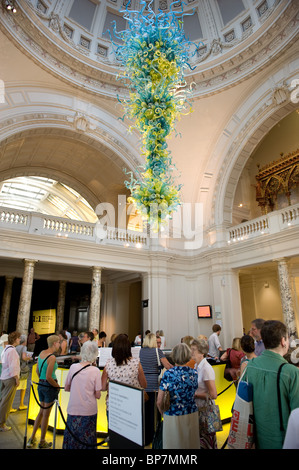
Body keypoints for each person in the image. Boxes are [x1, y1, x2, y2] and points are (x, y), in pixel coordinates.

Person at [244, 320, 299, 449]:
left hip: (258, 439)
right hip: (283, 441)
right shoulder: (291, 372)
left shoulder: (250, 366)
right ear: (283, 341)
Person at [157, 343, 200, 449]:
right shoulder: (194, 373)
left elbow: (159, 401)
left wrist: (163, 414)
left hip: (172, 413)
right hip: (191, 413)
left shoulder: (168, 374)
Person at [63, 341, 102, 449]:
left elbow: (67, 388)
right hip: (89, 410)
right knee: (87, 441)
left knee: (72, 440)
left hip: (74, 408)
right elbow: (98, 394)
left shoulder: (73, 367)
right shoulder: (95, 371)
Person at [101, 334, 147, 422]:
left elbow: (102, 387)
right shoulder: (136, 363)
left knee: (114, 434)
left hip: (114, 407)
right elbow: (144, 385)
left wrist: (111, 385)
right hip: (132, 406)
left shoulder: (109, 364)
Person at [26, 334, 61, 448]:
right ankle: (42, 441)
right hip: (49, 387)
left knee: (41, 412)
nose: (60, 345)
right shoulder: (52, 357)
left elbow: (37, 370)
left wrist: (42, 381)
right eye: (59, 342)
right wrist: (56, 386)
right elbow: (49, 377)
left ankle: (32, 438)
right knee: (46, 415)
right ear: (54, 343)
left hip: (41, 385)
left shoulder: (41, 353)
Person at [139, 333, 172, 446]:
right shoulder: (157, 352)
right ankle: (155, 437)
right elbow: (167, 366)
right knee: (154, 414)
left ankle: (145, 437)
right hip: (154, 385)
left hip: (142, 386)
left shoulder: (140, 351)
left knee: (144, 413)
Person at [191, 338, 218, 449]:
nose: (191, 352)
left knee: (206, 443)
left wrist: (195, 395)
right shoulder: (197, 366)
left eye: (193, 350)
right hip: (198, 409)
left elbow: (213, 394)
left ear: (201, 353)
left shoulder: (206, 369)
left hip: (205, 411)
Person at [0, 331, 21, 431]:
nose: (20, 340)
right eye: (19, 338)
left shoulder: (6, 349)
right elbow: (13, 367)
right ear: (15, 339)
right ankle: (1, 424)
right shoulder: (12, 351)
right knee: (6, 402)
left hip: (4, 376)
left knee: (2, 400)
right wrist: (16, 378)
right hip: (10, 378)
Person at [15, 334, 31, 410]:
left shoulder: (16, 347)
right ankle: (21, 404)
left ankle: (11, 405)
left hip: (17, 368)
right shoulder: (24, 347)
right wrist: (29, 358)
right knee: (23, 387)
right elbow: (24, 357)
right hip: (23, 369)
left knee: (15, 387)